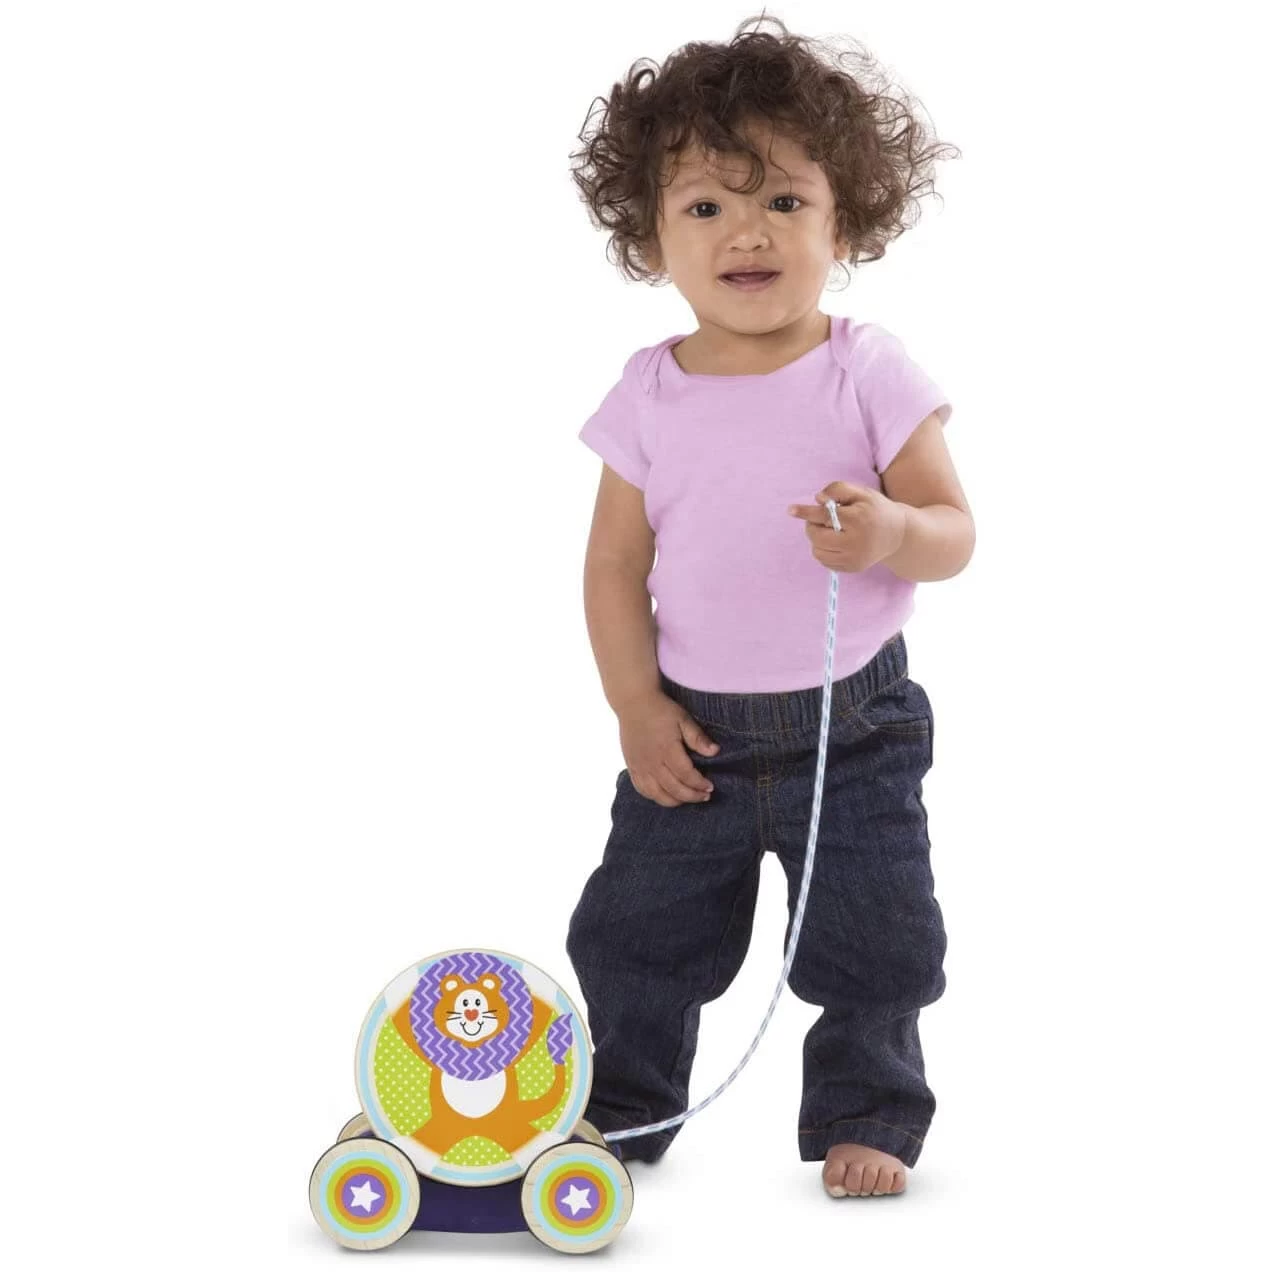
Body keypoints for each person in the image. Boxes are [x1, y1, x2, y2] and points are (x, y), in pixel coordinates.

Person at [564, 14, 974, 1200]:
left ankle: (869, 1106)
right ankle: (624, 1107)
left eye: (785, 202)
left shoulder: (867, 369)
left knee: (878, 933)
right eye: (706, 206)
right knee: (636, 934)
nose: (747, 232)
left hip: (855, 728)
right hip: (690, 729)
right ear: (652, 236)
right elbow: (612, 566)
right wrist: (635, 706)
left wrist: (891, 532)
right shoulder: (649, 392)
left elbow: (953, 531)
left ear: (846, 220)